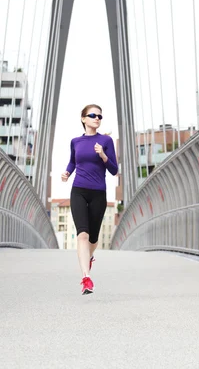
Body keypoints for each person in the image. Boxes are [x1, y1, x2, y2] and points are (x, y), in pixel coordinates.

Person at [61, 104, 118, 295]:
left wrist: (102, 154)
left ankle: (89, 257)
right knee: (83, 234)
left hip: (98, 193)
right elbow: (72, 161)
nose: (97, 118)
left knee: (93, 237)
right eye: (93, 115)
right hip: (78, 190)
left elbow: (114, 170)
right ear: (83, 118)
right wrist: (67, 172)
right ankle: (86, 277)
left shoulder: (106, 141)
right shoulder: (75, 141)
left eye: (100, 116)